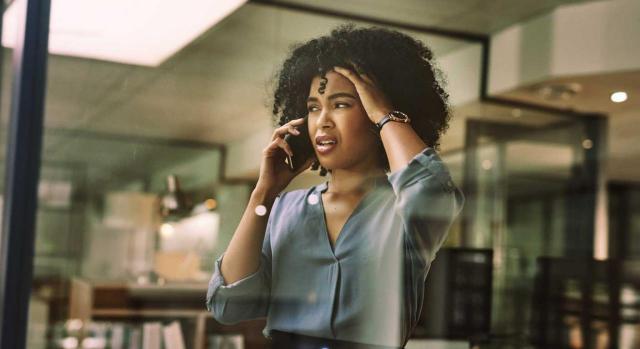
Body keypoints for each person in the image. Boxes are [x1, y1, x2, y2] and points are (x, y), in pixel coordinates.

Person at [206, 23, 465, 348]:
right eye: (314, 107)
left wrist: (385, 113)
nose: (323, 120)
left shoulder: (403, 210)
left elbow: (435, 191)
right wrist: (264, 194)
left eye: (341, 104)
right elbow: (228, 305)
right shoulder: (286, 208)